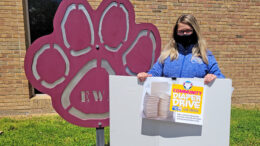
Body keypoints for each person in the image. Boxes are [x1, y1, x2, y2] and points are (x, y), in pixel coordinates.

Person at [137, 14, 225, 84]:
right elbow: (155, 73)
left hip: (193, 103)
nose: (185, 34)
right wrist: (146, 75)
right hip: (169, 102)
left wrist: (214, 77)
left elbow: (221, 78)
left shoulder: (206, 56)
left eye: (188, 30)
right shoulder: (166, 55)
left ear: (195, 32)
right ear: (176, 33)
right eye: (181, 31)